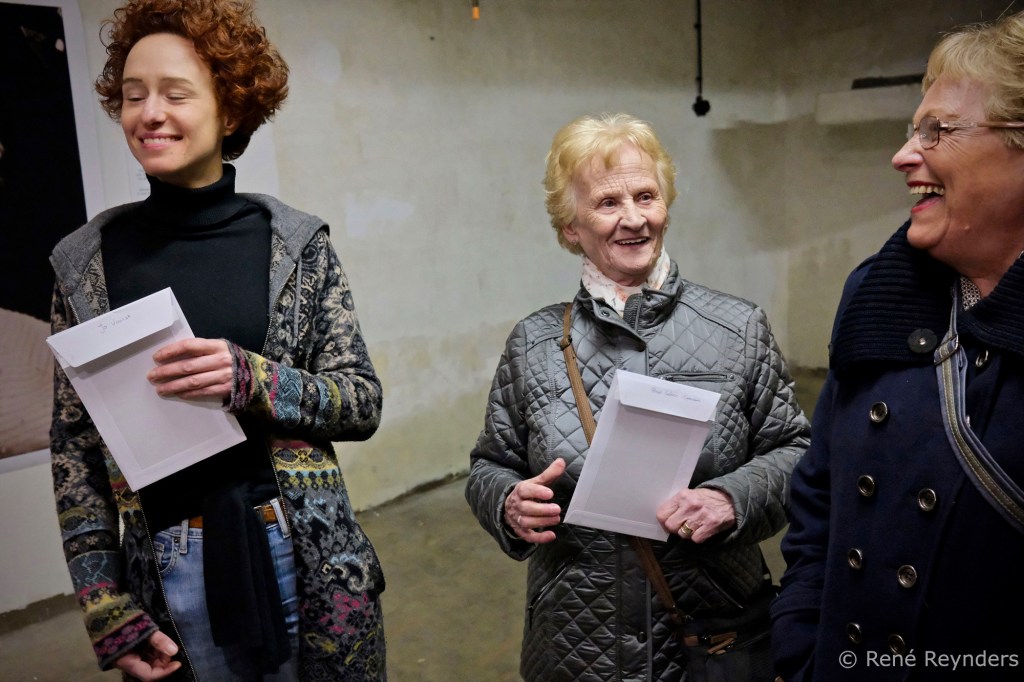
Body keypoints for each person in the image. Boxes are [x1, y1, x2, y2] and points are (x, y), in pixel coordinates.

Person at [48, 1, 386, 679]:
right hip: (166, 567)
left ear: (230, 110)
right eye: (134, 95)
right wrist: (105, 604)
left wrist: (251, 379)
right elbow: (75, 451)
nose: (150, 113)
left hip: (304, 552)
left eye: (175, 94)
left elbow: (360, 401)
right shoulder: (83, 265)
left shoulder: (295, 246)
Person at [465, 112, 810, 681]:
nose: (633, 218)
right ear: (570, 227)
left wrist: (731, 499)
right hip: (576, 639)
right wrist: (507, 503)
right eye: (607, 202)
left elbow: (796, 452)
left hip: (709, 632)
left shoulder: (738, 327)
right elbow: (489, 464)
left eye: (646, 196)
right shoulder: (534, 342)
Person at [771, 11, 1024, 682]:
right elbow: (819, 500)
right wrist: (800, 647)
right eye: (913, 130)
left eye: (938, 130)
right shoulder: (878, 294)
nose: (904, 155)